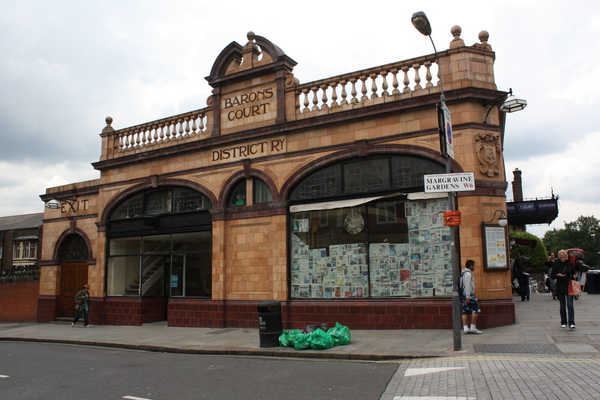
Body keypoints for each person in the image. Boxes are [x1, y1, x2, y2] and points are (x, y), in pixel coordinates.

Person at [551, 250, 578, 329]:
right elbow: (552, 275)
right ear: (559, 257)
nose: (563, 259)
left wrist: (575, 275)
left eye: (564, 257)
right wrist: (557, 275)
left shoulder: (569, 264)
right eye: (562, 257)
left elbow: (574, 272)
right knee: (562, 306)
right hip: (560, 286)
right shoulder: (556, 264)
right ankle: (563, 322)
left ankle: (572, 323)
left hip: (569, 285)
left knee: (570, 305)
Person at [459, 259, 482, 334]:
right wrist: (468, 296)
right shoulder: (468, 274)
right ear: (471, 266)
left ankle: (465, 328)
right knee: (476, 309)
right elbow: (467, 285)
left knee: (464, 311)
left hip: (463, 294)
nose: (474, 267)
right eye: (474, 265)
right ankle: (473, 327)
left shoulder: (463, 273)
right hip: (468, 294)